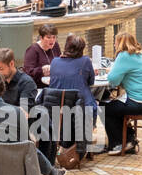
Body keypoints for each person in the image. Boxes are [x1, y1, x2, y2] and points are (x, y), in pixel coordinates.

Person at [36, 34, 98, 165]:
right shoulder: (85, 61)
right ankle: (85, 137)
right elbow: (91, 81)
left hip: (56, 109)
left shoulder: (55, 62)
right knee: (93, 102)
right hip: (79, 108)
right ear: (81, 49)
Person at [103, 33, 142, 155]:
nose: (114, 44)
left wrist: (112, 71)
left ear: (120, 44)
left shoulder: (124, 56)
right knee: (115, 105)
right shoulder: (140, 54)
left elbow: (113, 80)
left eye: (115, 42)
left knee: (106, 108)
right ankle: (128, 139)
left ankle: (119, 143)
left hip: (140, 103)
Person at [23, 23, 60, 88]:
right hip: (38, 87)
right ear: (41, 38)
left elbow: (60, 62)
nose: (52, 40)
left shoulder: (55, 46)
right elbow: (28, 73)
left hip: (54, 84)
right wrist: (42, 70)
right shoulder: (32, 50)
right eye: (48, 37)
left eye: (54, 37)